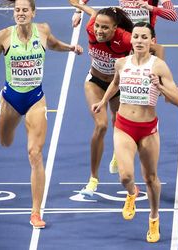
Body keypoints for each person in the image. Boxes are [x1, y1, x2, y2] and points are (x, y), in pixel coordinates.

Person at [0, 0, 83, 229]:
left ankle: (35, 212)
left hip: (35, 98)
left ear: (33, 12)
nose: (20, 13)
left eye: (25, 10)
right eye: (17, 10)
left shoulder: (42, 30)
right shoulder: (3, 35)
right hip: (11, 99)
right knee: (5, 141)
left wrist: (70, 48)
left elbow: (52, 44)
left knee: (35, 153)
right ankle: (8, 118)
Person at [92, 22, 178, 243]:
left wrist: (159, 87)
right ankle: (132, 193)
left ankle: (153, 218)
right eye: (136, 36)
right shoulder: (121, 63)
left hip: (148, 129)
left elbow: (177, 100)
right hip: (123, 126)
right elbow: (114, 84)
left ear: (152, 41)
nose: (140, 40)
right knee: (125, 176)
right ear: (130, 40)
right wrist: (103, 101)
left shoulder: (159, 66)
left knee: (151, 178)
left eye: (144, 37)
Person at [68, 0, 135, 196]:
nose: (99, 30)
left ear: (115, 28)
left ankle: (117, 153)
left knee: (119, 125)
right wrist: (78, 7)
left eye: (105, 27)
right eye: (98, 25)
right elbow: (92, 13)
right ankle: (93, 179)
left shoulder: (126, 39)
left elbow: (154, 49)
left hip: (118, 86)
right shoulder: (90, 28)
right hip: (95, 82)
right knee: (101, 125)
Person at [72, 0, 178, 59]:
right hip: (123, 39)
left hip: (144, 39)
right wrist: (77, 12)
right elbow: (81, 1)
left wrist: (150, 8)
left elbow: (173, 15)